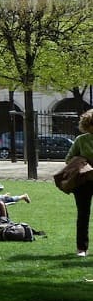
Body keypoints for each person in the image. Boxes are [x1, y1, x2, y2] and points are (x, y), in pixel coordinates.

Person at [65, 108, 93, 257]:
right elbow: (68, 159)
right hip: (83, 181)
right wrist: (83, 162)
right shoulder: (81, 140)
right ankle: (81, 248)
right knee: (83, 214)